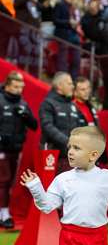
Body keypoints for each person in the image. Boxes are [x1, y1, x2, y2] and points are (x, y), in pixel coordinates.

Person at [20, 126, 108, 244]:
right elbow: (47, 207)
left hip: (98, 237)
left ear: (93, 155)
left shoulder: (107, 178)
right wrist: (35, 187)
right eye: (70, 147)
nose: (70, 152)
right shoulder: (62, 179)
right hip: (69, 237)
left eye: (76, 148)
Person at [0, 71, 38, 229]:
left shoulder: (22, 102)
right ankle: (5, 214)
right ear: (7, 86)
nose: (19, 90)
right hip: (1, 148)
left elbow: (34, 126)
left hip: (16, 149)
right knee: (4, 180)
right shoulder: (0, 101)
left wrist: (27, 115)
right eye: (16, 87)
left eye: (21, 87)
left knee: (10, 182)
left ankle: (3, 212)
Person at [39, 71, 79, 176]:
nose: (72, 86)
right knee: (51, 189)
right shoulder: (47, 103)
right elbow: (47, 126)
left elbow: (79, 127)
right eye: (69, 84)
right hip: (52, 155)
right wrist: (67, 141)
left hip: (71, 155)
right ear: (59, 85)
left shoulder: (73, 105)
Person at [73, 76, 108, 165]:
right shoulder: (72, 107)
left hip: (92, 147)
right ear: (75, 92)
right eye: (83, 89)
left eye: (88, 88)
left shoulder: (90, 106)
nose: (87, 91)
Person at [54, 0, 81, 80]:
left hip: (74, 35)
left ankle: (73, 82)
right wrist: (69, 22)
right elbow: (56, 20)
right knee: (62, 60)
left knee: (77, 60)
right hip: (64, 35)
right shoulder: (60, 4)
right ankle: (60, 81)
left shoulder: (72, 6)